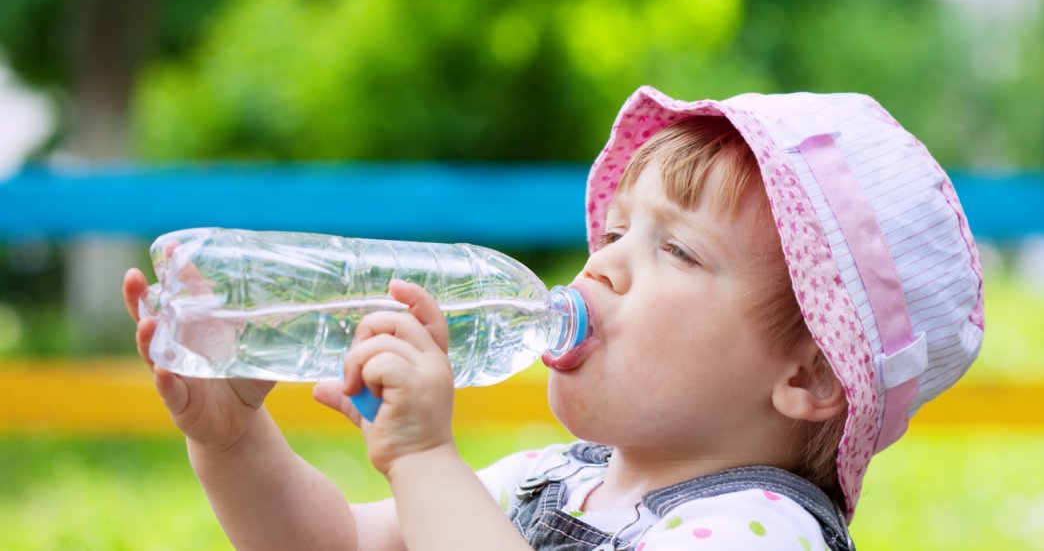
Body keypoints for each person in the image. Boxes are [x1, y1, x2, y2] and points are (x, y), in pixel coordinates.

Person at [122, 86, 985, 550]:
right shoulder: (552, 480)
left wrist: (424, 460)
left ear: (807, 374)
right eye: (614, 232)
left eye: (675, 251)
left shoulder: (760, 531)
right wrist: (233, 441)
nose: (601, 263)